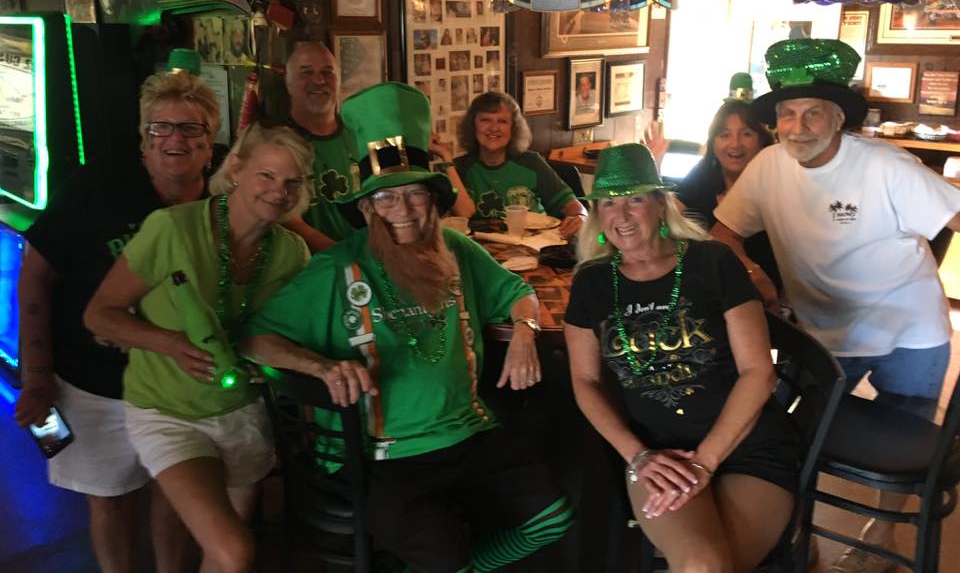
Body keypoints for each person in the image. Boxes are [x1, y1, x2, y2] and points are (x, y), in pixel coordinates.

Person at [239, 82, 574, 573]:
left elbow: (517, 291)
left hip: (469, 431)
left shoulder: (458, 251)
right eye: (386, 199)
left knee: (553, 520)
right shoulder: (337, 269)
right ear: (368, 209)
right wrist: (320, 365)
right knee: (445, 558)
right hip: (386, 456)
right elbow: (253, 338)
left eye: (415, 194)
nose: (405, 210)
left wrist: (525, 330)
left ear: (434, 200)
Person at [711, 38, 960, 573]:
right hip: (819, 329)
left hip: (908, 324)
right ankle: (793, 527)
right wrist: (756, 275)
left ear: (839, 117)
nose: (797, 127)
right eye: (787, 114)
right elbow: (723, 232)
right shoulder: (769, 165)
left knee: (905, 423)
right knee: (784, 428)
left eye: (812, 114)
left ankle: (884, 528)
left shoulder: (887, 166)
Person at [13, 49, 214, 573]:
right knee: (108, 497)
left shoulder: (224, 199)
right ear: (143, 137)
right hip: (94, 381)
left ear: (210, 141)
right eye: (160, 127)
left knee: (175, 498)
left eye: (190, 127)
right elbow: (35, 275)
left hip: (179, 383)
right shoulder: (94, 188)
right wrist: (35, 374)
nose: (175, 139)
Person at [83, 123, 312, 573]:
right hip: (168, 413)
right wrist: (170, 343)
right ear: (236, 169)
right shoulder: (171, 228)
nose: (278, 191)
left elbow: (273, 336)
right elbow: (100, 313)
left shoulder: (291, 253)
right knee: (235, 551)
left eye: (291, 182)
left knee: (221, 559)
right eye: (267, 175)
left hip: (246, 413)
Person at [564, 143, 798, 572]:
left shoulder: (712, 261)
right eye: (608, 204)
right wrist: (637, 455)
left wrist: (707, 460)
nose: (622, 215)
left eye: (635, 199)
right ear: (596, 214)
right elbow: (585, 381)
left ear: (659, 203)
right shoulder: (592, 283)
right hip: (656, 454)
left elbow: (757, 371)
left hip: (747, 445)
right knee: (704, 565)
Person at [674, 98, 781, 291]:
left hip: (769, 295)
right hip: (708, 291)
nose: (735, 144)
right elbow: (667, 216)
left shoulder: (776, 181)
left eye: (746, 134)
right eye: (724, 135)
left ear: (762, 142)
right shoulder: (702, 175)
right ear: (713, 143)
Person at [454, 92, 587, 238]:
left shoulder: (532, 163)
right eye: (485, 120)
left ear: (513, 128)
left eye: (502, 121)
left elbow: (571, 204)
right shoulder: (458, 169)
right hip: (481, 253)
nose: (494, 128)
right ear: (472, 126)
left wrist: (580, 216)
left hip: (535, 247)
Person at [281, 42, 358, 252]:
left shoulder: (362, 135)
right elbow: (289, 221)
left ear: (339, 81)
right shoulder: (276, 144)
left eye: (327, 72)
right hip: (310, 274)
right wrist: (346, 259)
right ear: (288, 84)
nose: (318, 80)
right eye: (306, 72)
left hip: (370, 269)